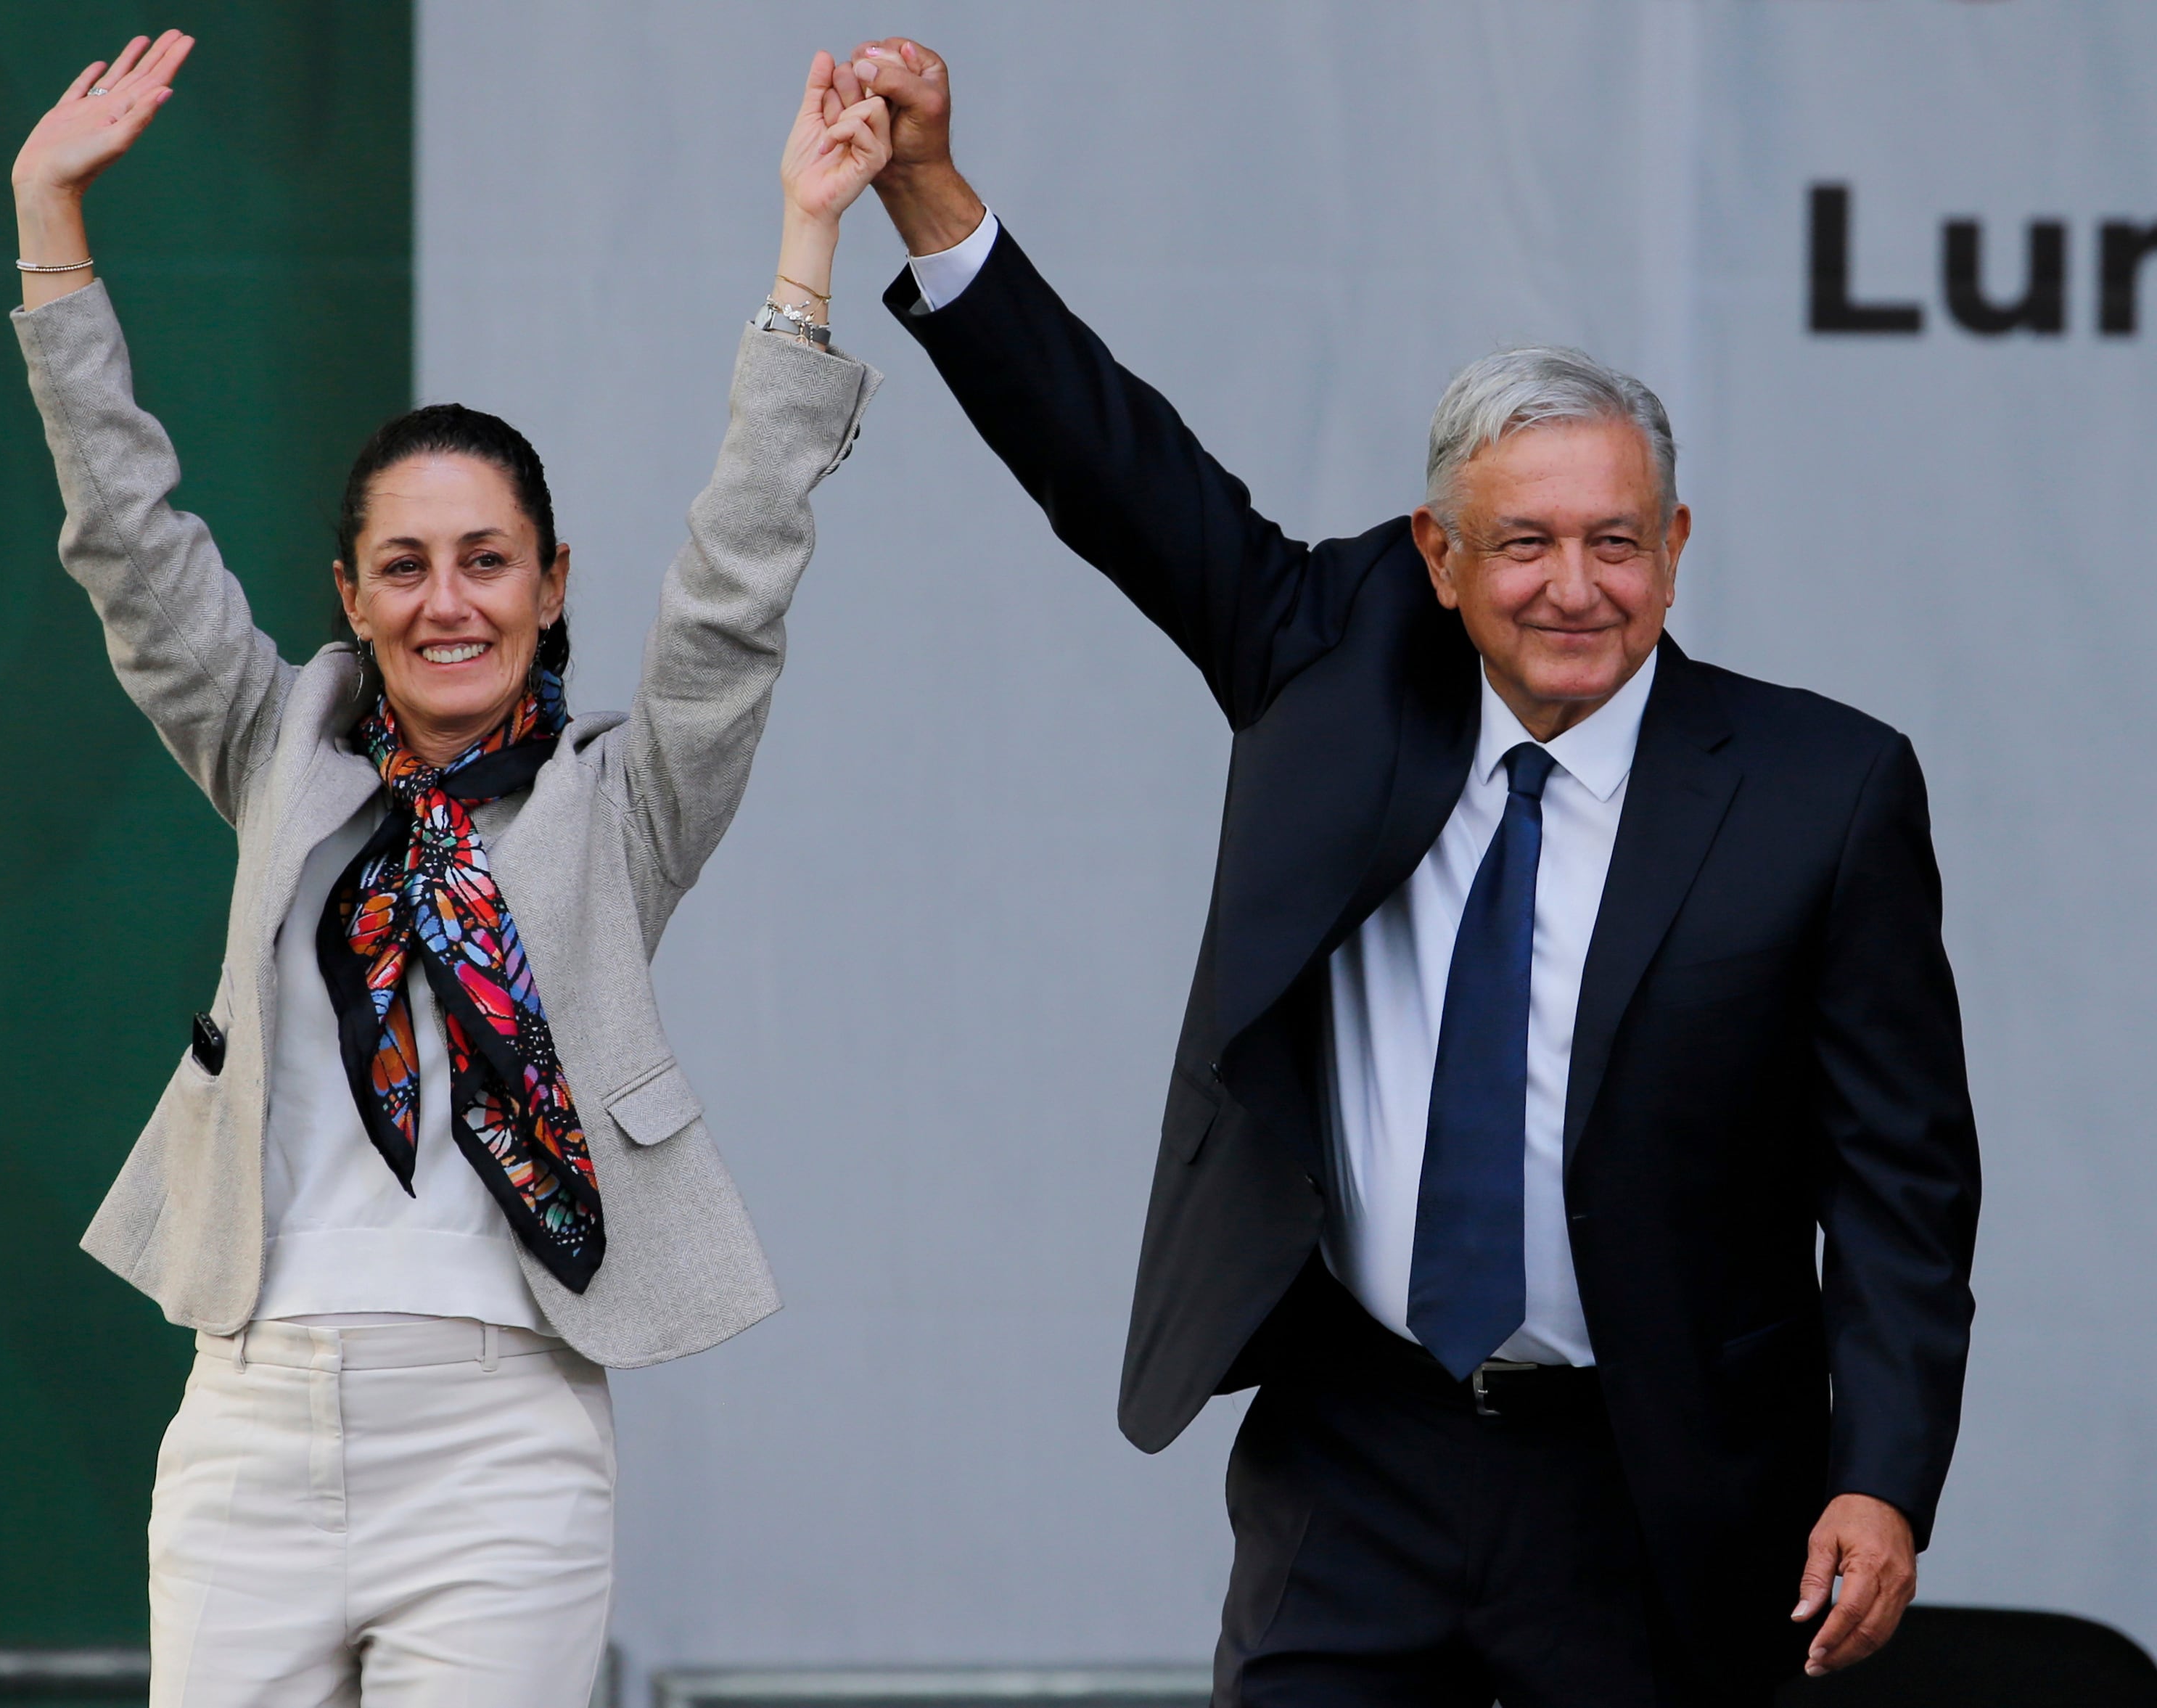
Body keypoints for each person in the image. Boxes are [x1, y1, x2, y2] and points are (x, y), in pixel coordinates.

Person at [836, 38, 1979, 1708]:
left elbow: (1898, 1184)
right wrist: (923, 189)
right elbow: (1109, 463)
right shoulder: (1325, 660)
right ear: (1438, 559)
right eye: (1520, 542)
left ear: (1672, 549)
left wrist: (1879, 1473)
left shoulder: (1822, 786)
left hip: (1654, 1467)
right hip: (1357, 1444)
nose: (1570, 587)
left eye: (1611, 541)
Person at [7, 31, 887, 1707]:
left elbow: (732, 592)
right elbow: (129, 546)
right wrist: (52, 227)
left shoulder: (618, 803)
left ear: (551, 583)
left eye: (486, 561)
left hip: (503, 1436)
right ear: (350, 594)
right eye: (403, 567)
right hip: (251, 1415)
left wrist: (803, 250)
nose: (447, 601)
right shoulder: (281, 755)